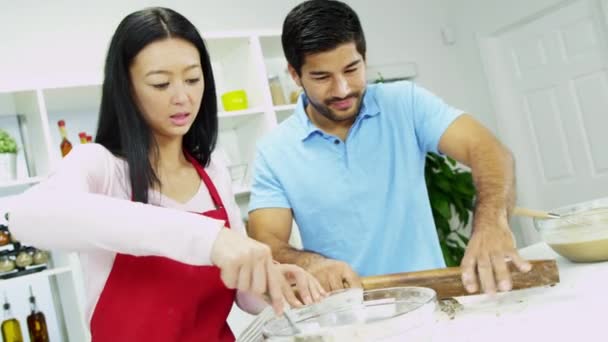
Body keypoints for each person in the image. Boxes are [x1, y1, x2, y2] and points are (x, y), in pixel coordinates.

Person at [7, 7, 324, 342]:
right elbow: (26, 217)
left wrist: (268, 280)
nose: (183, 97)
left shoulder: (213, 170)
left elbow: (243, 297)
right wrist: (207, 238)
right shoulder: (101, 166)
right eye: (160, 83)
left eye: (192, 79)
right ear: (126, 89)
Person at [248, 0, 531, 296]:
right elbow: (267, 240)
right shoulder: (274, 150)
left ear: (364, 58)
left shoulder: (405, 103)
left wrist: (491, 223)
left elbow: (488, 150)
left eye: (351, 69)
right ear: (295, 75)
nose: (342, 89)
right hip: (348, 312)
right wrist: (310, 263)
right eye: (322, 77)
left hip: (430, 298)